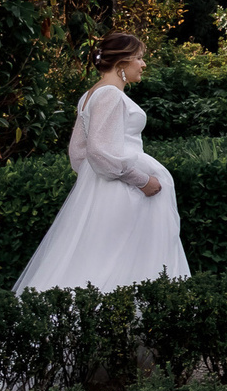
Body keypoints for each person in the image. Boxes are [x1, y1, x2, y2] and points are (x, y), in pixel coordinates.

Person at [13, 32, 191, 294]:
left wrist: (91, 180)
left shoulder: (90, 95)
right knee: (119, 258)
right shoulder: (110, 94)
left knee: (103, 256)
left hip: (108, 187)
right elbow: (97, 151)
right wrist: (141, 181)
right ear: (122, 63)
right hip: (124, 191)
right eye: (139, 58)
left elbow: (77, 152)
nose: (143, 64)